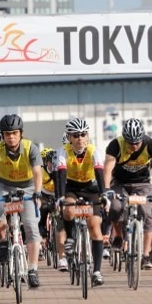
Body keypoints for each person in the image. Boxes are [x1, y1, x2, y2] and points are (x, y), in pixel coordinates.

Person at [0, 114, 43, 288]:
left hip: (27, 187)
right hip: (4, 185)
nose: (11, 136)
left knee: (31, 226)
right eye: (7, 133)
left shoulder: (30, 148)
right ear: (2, 135)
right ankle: (3, 242)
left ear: (21, 133)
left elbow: (37, 172)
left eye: (15, 133)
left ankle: (32, 269)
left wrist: (38, 193)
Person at [104, 118, 152, 270]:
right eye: (130, 143)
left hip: (142, 184)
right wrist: (106, 190)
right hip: (119, 183)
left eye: (137, 143)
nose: (134, 146)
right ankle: (118, 236)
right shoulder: (115, 145)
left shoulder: (151, 144)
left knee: (147, 213)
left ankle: (146, 255)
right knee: (115, 207)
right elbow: (107, 169)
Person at [56, 118, 106, 286]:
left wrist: (104, 195)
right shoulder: (62, 152)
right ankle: (70, 238)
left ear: (87, 136)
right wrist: (60, 198)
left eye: (83, 135)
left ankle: (97, 271)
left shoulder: (94, 151)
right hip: (72, 187)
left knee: (94, 226)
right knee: (68, 211)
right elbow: (60, 176)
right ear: (69, 137)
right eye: (75, 135)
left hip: (91, 188)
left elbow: (99, 173)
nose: (79, 139)